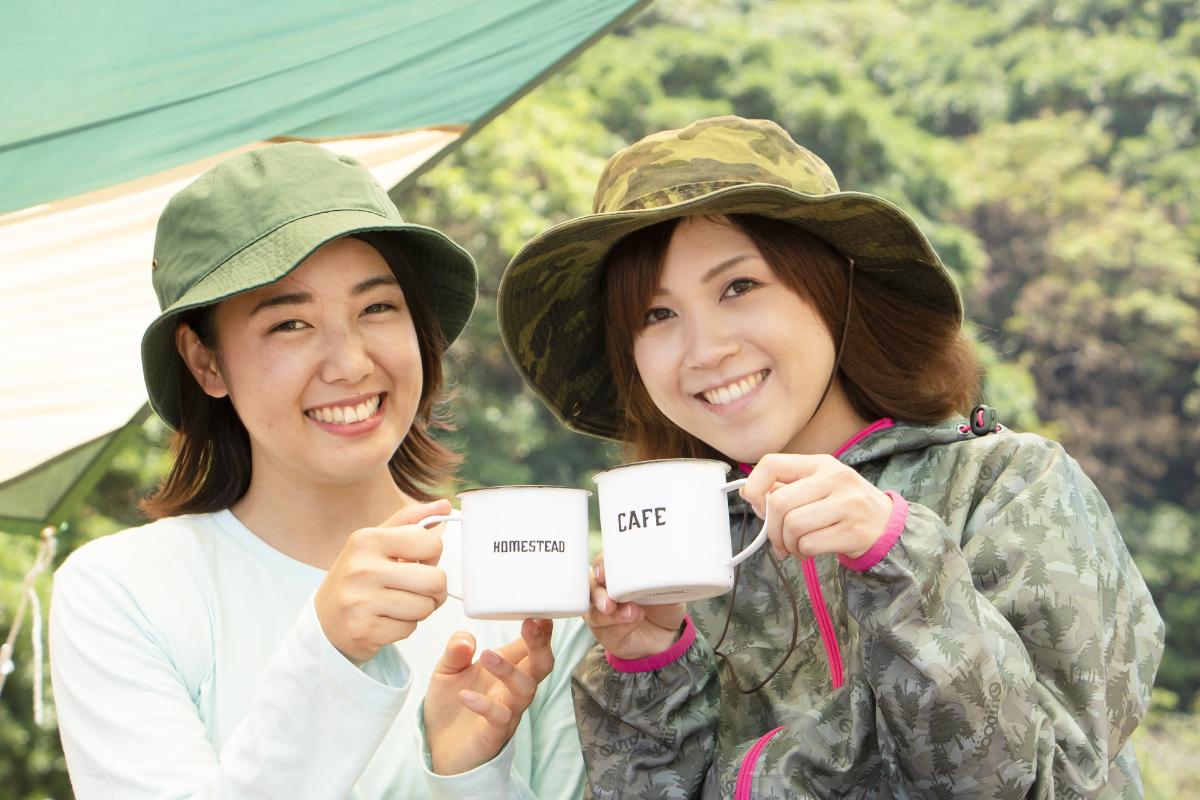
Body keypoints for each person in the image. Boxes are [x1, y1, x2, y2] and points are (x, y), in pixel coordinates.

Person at [497, 116, 1165, 798]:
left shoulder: (1011, 486)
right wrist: (648, 669)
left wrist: (898, 557)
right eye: (655, 315)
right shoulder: (681, 553)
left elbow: (1041, 782)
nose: (704, 350)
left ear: (833, 285)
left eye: (738, 287)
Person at [49, 143, 591, 799]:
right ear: (206, 362)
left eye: (377, 308)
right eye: (291, 323)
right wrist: (327, 655)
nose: (349, 363)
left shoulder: (527, 572)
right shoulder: (124, 591)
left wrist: (469, 776)